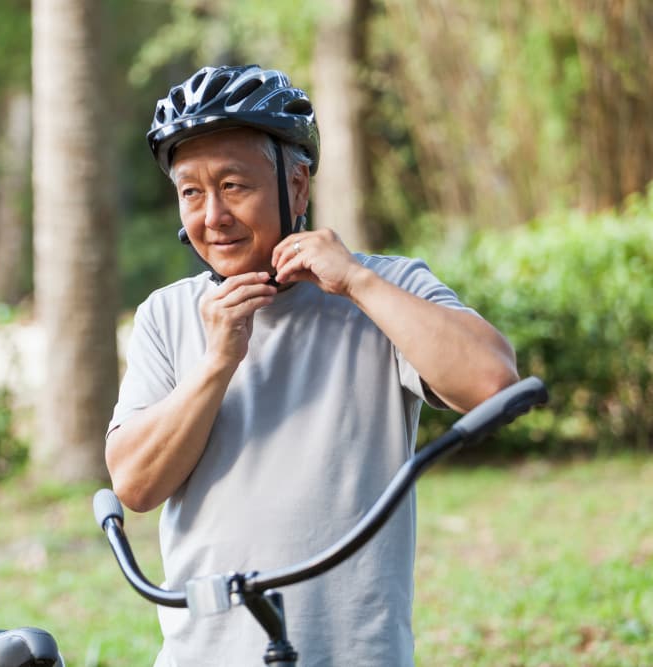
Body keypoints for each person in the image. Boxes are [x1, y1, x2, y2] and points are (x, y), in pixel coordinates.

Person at [105, 65, 519, 667]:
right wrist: (219, 359)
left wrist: (355, 281)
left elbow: (493, 383)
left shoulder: (386, 289)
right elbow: (135, 485)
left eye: (234, 185)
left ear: (297, 187)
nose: (212, 215)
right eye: (191, 191)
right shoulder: (166, 315)